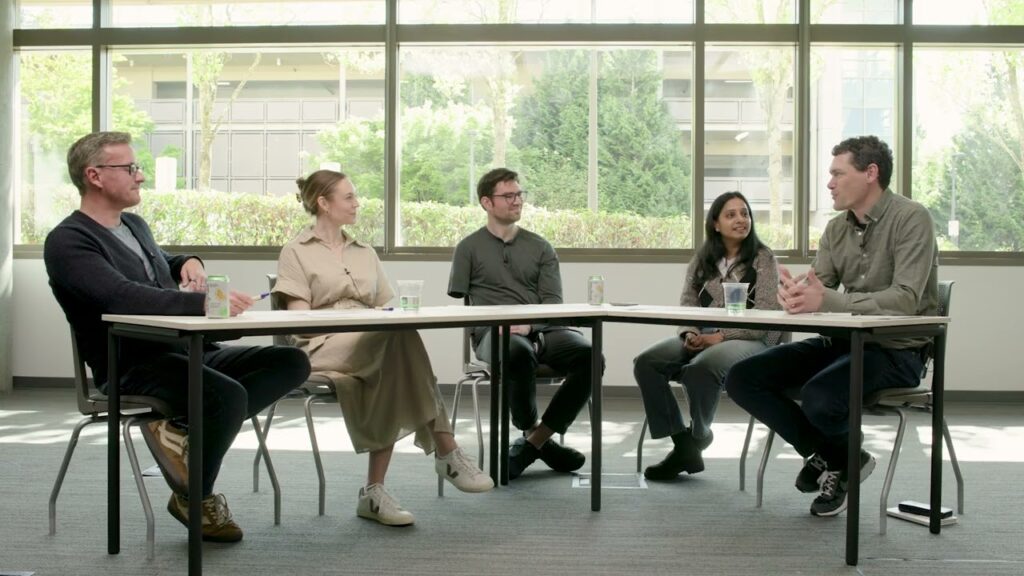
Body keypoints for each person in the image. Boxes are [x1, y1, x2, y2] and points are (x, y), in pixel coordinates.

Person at [44, 131, 311, 543]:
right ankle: (195, 497)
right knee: (225, 397)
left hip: (183, 352)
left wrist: (188, 261)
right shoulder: (67, 241)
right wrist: (205, 303)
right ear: (94, 176)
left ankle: (179, 431)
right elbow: (121, 295)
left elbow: (157, 264)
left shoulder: (133, 225)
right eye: (130, 168)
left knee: (290, 362)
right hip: (131, 366)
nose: (140, 176)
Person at [725, 135, 939, 517]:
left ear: (870, 173)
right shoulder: (836, 229)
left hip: (896, 350)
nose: (829, 183)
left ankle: (835, 460)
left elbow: (905, 298)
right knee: (742, 377)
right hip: (842, 342)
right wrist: (794, 296)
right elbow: (818, 287)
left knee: (821, 397)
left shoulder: (912, 218)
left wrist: (826, 299)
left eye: (838, 174)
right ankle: (839, 456)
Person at [274, 169, 492, 527]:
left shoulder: (365, 252)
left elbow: (387, 306)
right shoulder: (295, 252)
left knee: (396, 343)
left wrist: (381, 319)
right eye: (348, 197)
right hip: (321, 345)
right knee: (395, 342)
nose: (357, 203)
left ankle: (374, 492)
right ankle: (445, 449)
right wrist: (359, 321)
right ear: (323, 203)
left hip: (374, 342)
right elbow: (301, 322)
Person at [448, 167, 601, 480]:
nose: (517, 201)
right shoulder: (468, 248)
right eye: (508, 196)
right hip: (494, 333)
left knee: (591, 356)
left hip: (544, 328)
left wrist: (530, 326)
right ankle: (537, 436)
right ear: (486, 202)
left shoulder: (541, 247)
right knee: (515, 351)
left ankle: (533, 442)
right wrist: (503, 324)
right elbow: (464, 303)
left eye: (519, 194)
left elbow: (553, 304)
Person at [635, 191, 781, 481]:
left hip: (752, 338)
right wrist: (690, 332)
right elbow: (687, 305)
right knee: (647, 362)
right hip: (704, 334)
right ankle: (683, 444)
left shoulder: (763, 259)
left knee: (702, 368)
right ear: (716, 223)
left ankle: (699, 436)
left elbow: (766, 316)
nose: (741, 219)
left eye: (745, 213)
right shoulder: (702, 259)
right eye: (731, 214)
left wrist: (721, 336)